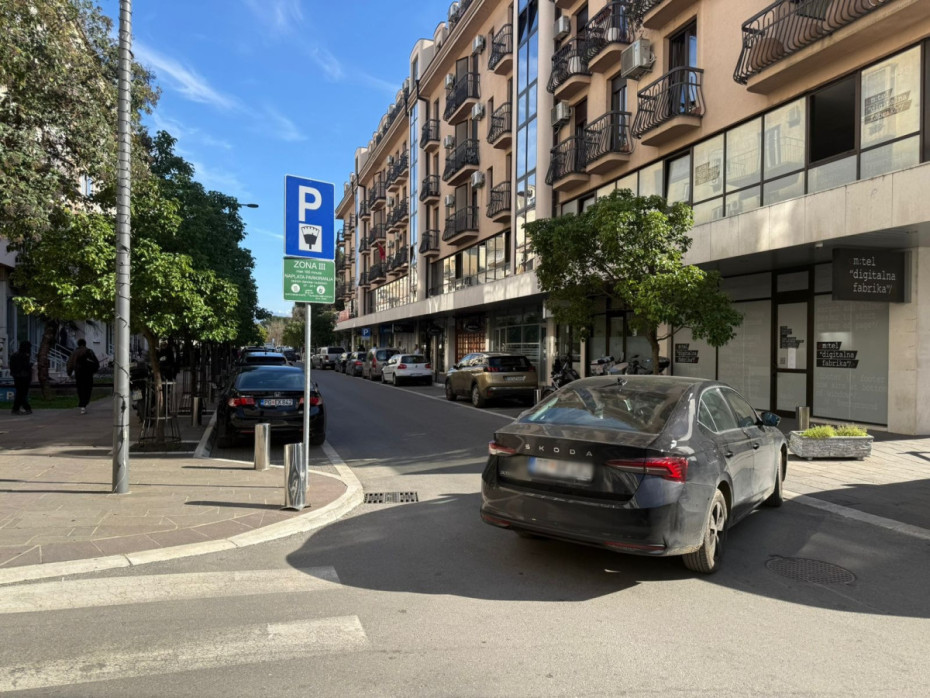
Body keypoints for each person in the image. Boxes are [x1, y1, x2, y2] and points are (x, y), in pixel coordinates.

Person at [66, 338, 99, 415]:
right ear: (85, 344)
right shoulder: (89, 351)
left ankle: (82, 405)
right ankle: (85, 403)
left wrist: (69, 373)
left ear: (78, 344)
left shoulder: (74, 353)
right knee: (88, 389)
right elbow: (96, 363)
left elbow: (70, 363)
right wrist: (94, 371)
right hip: (88, 374)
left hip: (79, 373)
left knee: (80, 389)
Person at [9, 341, 33, 415]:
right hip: (24, 377)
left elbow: (12, 366)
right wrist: (30, 365)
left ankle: (16, 408)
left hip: (16, 376)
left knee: (19, 393)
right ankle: (26, 408)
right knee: (22, 394)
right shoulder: (25, 356)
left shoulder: (14, 355)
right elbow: (26, 366)